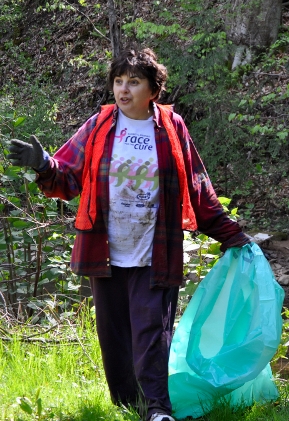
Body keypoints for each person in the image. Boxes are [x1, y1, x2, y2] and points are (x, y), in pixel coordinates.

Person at [8, 48, 249, 421]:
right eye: (118, 81)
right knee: (115, 336)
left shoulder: (172, 128)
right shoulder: (100, 125)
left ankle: (158, 408)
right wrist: (42, 164)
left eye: (133, 81)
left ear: (154, 89)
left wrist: (232, 234)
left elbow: (198, 188)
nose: (123, 89)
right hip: (105, 247)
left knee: (152, 330)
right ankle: (128, 407)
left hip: (157, 248)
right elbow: (67, 177)